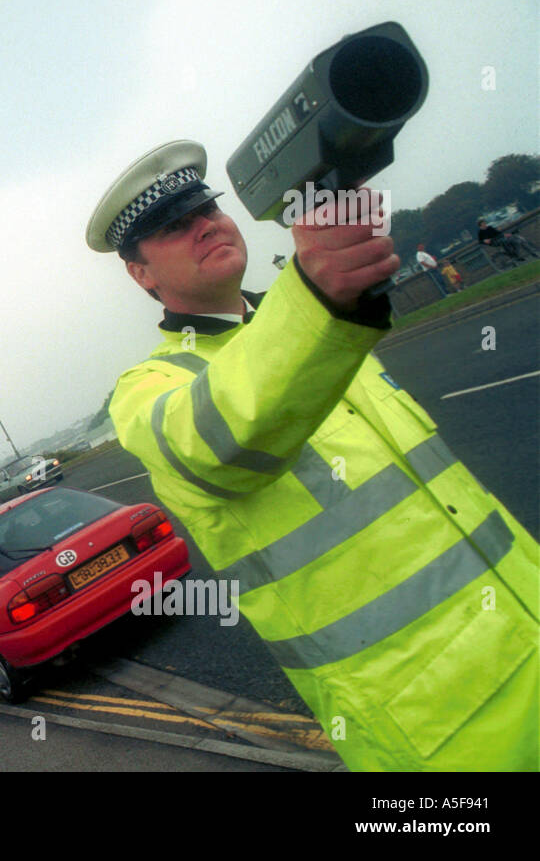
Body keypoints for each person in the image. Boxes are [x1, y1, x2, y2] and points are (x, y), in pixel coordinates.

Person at [87, 140, 538, 771]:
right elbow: (216, 440)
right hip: (438, 726)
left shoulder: (318, 325)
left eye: (207, 208)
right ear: (141, 274)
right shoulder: (149, 389)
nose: (206, 226)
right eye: (174, 226)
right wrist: (316, 294)